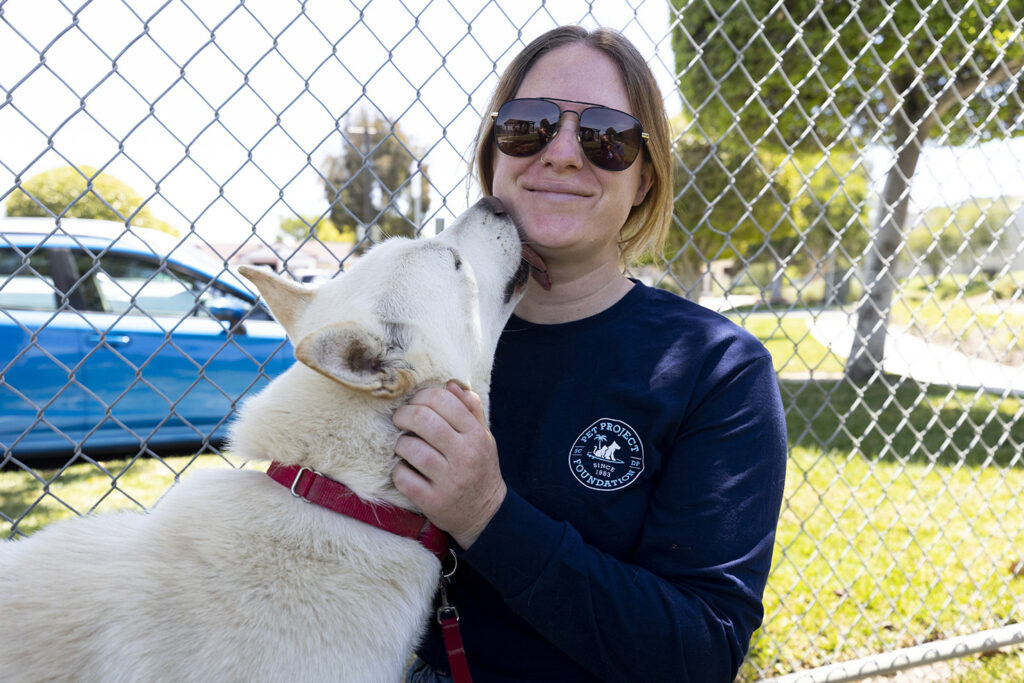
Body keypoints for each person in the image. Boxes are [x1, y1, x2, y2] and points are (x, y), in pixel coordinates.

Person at [392, 25, 787, 683]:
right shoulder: (421, 341)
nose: (564, 153)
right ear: (493, 153)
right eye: (529, 125)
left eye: (608, 136)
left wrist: (488, 512)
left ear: (643, 180)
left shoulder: (718, 370)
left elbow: (701, 647)